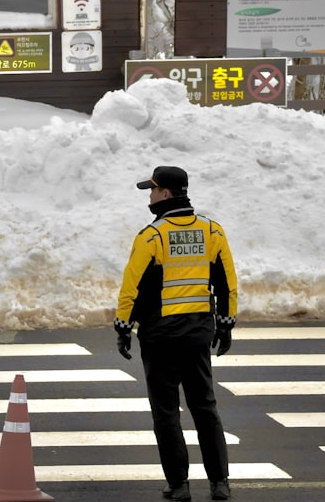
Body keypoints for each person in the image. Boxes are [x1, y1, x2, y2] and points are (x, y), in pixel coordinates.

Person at [114, 165, 238, 501]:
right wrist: (226, 323)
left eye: (153, 190)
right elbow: (227, 281)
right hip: (197, 333)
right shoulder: (212, 231)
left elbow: (131, 286)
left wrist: (123, 325)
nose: (150, 196)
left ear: (166, 194)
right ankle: (219, 482)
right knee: (205, 407)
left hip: (160, 337)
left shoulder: (151, 236)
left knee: (166, 412)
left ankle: (179, 485)